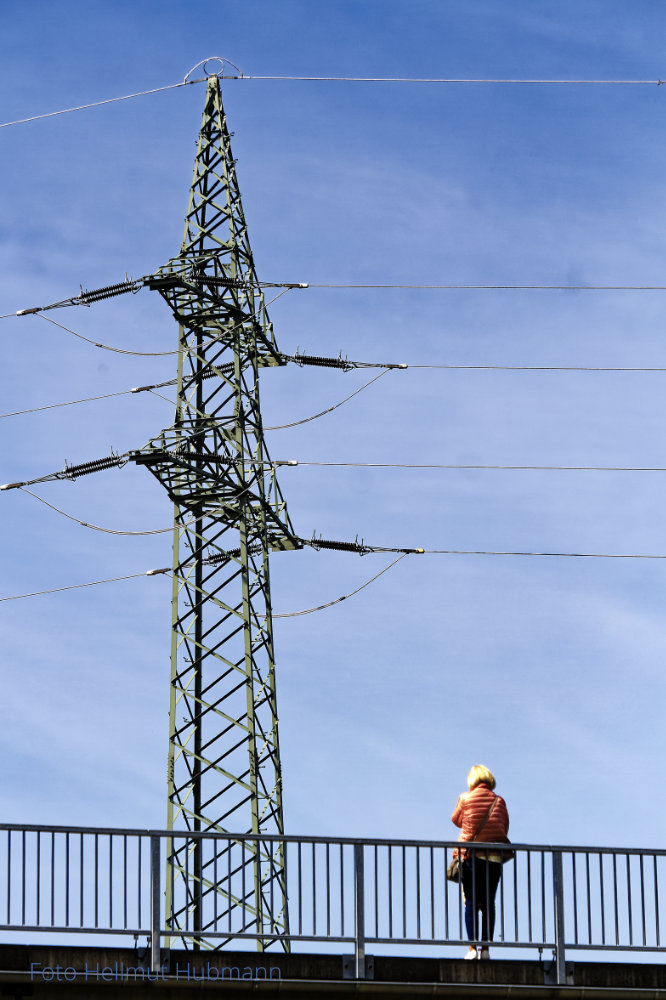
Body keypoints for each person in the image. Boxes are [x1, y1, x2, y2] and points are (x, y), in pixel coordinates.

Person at [451, 764, 510, 960]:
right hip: (494, 858)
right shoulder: (499, 801)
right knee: (488, 904)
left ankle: (471, 949)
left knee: (470, 903)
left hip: (471, 857)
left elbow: (456, 819)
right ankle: (486, 949)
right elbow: (504, 827)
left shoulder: (465, 798)